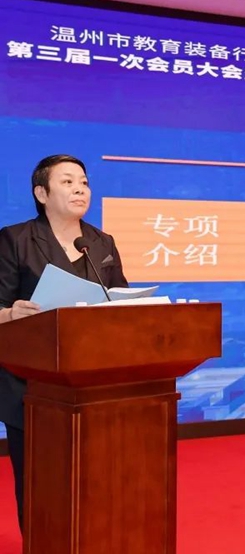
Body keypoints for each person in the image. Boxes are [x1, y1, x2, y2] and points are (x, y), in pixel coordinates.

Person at [0, 154, 128, 531]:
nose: (79, 189)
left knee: (95, 480)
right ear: (41, 193)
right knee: (41, 481)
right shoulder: (15, 240)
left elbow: (121, 303)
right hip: (31, 385)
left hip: (93, 382)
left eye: (84, 182)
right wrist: (10, 314)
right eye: (68, 182)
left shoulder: (100, 242)